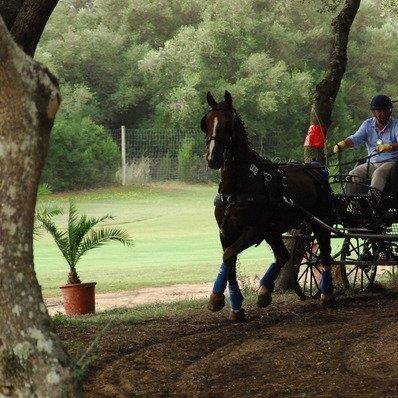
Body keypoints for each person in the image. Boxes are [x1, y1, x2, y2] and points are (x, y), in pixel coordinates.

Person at [333, 95, 398, 200]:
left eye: (385, 110)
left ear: (390, 111)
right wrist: (343, 144)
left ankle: (373, 203)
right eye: (379, 111)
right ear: (373, 112)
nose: (382, 114)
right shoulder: (367, 125)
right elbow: (355, 138)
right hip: (372, 163)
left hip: (392, 163)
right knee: (354, 174)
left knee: (379, 173)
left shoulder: (396, 125)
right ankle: (344, 203)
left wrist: (390, 146)